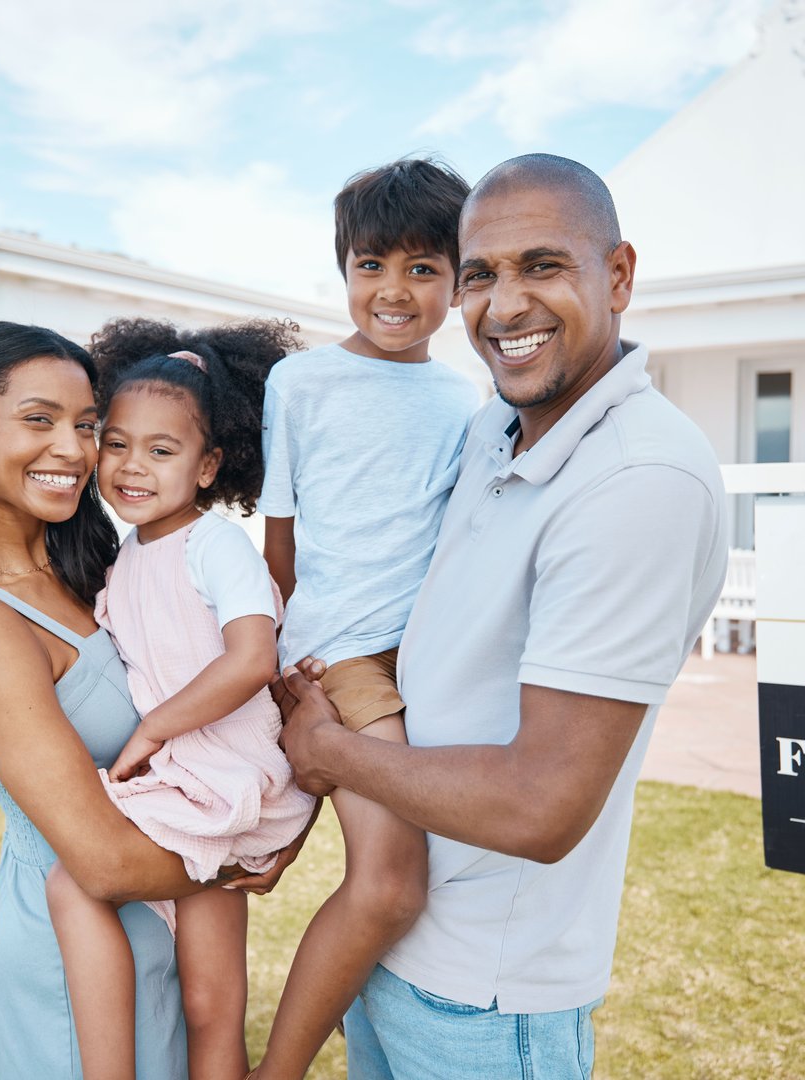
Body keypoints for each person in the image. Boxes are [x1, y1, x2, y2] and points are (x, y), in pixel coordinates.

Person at [276, 154, 729, 1079]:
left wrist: (329, 754)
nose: (503, 303)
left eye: (542, 265)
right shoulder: (491, 424)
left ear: (619, 275)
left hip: (487, 997)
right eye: (480, 272)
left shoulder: (638, 479)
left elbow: (542, 805)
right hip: (393, 959)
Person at [0, 321, 300, 1080]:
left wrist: (279, 814)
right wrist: (250, 845)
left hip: (163, 928)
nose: (74, 451)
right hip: (74, 969)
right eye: (39, 420)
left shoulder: (101, 568)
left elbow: (246, 682)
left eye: (86, 426)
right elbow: (103, 866)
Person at [249, 156, 479, 1079]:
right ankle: (277, 1070)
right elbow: (280, 542)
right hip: (342, 655)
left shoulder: (466, 401)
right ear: (343, 270)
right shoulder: (300, 385)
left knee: (425, 871)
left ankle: (350, 1000)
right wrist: (278, 669)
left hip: (427, 657)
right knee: (390, 887)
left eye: (424, 269)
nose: (394, 291)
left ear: (459, 283)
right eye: (371, 266)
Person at [43, 318, 317, 1080]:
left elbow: (253, 656)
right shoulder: (125, 558)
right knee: (209, 998)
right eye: (118, 443)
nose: (133, 466)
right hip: (193, 783)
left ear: (207, 467)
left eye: (162, 451)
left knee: (75, 882)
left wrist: (155, 729)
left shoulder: (215, 544)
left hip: (228, 775)